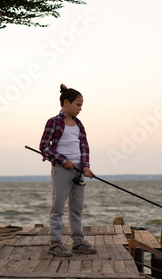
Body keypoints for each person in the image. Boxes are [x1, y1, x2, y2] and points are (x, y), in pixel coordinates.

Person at [39, 84, 96, 257]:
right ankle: (55, 244)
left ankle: (78, 242)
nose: (80, 108)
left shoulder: (79, 124)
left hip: (78, 171)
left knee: (76, 208)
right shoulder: (54, 122)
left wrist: (85, 166)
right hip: (61, 171)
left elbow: (84, 146)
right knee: (58, 208)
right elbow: (44, 147)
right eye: (78, 105)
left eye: (81, 105)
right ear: (66, 102)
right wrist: (63, 161)